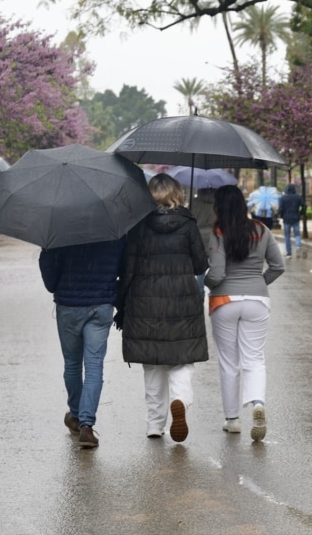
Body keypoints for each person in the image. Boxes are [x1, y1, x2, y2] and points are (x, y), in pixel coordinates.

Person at [116, 173, 208, 442]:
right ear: (176, 193)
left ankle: (154, 425)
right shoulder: (188, 223)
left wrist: (122, 303)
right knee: (181, 360)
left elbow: (127, 268)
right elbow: (200, 265)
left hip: (146, 302)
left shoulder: (138, 224)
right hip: (182, 301)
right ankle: (179, 399)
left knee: (153, 364)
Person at [205, 185, 285, 441]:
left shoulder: (218, 233)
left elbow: (216, 275)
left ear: (219, 206)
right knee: (254, 359)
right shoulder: (262, 230)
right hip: (257, 300)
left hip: (225, 301)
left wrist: (205, 283)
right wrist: (258, 282)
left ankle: (233, 419)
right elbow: (278, 266)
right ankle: (258, 403)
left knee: (230, 363)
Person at [39, 239, 126, 449]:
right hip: (101, 305)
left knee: (72, 364)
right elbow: (123, 269)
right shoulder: (112, 232)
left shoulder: (59, 232)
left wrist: (47, 253)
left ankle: (76, 416)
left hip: (68, 306)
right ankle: (87, 424)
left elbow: (50, 282)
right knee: (94, 365)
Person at [189, 186, 216, 293]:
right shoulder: (216, 204)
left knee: (200, 266)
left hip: (197, 235)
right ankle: (214, 290)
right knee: (214, 264)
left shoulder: (194, 202)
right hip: (212, 236)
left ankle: (200, 292)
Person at [277, 183, 306, 258]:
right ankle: (298, 245)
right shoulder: (298, 197)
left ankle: (289, 253)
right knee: (297, 233)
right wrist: (301, 213)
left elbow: (280, 209)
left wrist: (282, 215)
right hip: (296, 217)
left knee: (287, 236)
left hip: (286, 218)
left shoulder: (283, 198)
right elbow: (304, 206)